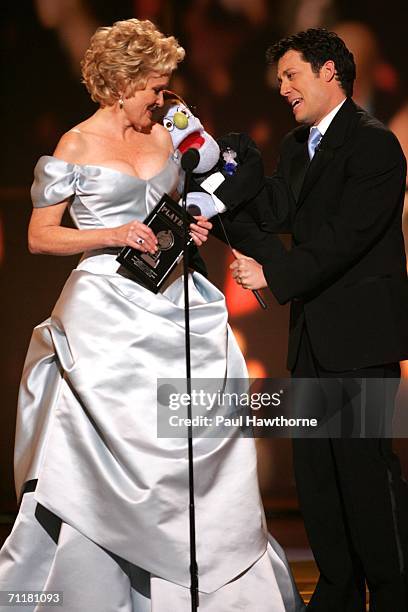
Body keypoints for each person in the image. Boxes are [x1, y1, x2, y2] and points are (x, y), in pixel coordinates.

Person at [0, 18, 304, 612]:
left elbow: (218, 178)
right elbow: (39, 237)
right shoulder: (76, 145)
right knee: (102, 445)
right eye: (154, 89)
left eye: (166, 88)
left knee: (198, 435)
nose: (163, 100)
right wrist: (114, 233)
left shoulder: (172, 127)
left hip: (179, 298)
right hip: (106, 311)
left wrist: (194, 222)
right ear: (120, 83)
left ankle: (203, 577)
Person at [228, 28, 408, 612]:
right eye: (279, 79)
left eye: (291, 76)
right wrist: (222, 182)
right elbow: (275, 207)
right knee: (319, 478)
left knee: (365, 476)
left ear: (329, 71)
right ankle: (335, 592)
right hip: (312, 341)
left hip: (360, 339)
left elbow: (344, 239)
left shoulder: (375, 146)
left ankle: (391, 591)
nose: (282, 88)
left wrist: (272, 278)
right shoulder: (298, 146)